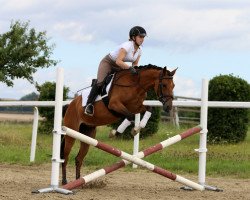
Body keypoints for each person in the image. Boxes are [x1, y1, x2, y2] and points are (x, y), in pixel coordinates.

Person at [85, 26, 147, 116]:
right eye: (140, 37)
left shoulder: (139, 51)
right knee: (100, 82)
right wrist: (130, 69)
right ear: (133, 37)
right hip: (108, 62)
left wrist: (136, 73)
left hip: (119, 65)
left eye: (143, 37)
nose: (142, 39)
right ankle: (89, 104)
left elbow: (135, 65)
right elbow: (118, 61)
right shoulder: (127, 46)